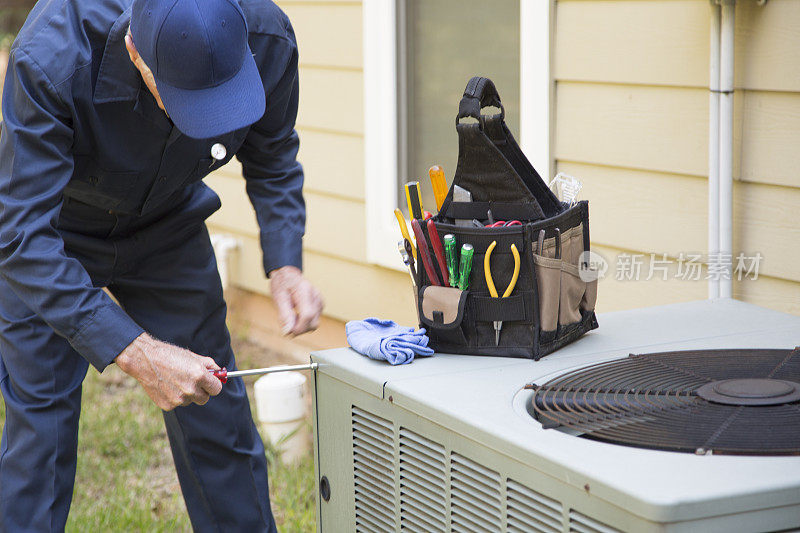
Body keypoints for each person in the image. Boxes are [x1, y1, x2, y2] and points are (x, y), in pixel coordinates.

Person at [0, 0, 323, 530]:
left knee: (214, 407)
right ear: (135, 50)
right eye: (184, 100)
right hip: (53, 233)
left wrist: (285, 262)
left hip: (167, 225)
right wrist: (136, 350)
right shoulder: (51, 57)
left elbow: (273, 151)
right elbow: (20, 234)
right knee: (42, 433)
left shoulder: (268, 39)